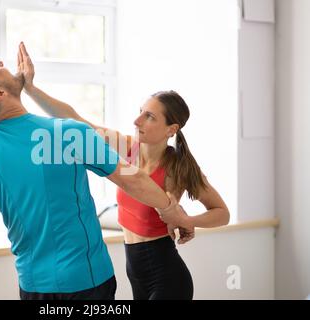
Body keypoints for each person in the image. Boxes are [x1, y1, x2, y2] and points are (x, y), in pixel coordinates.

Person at [0, 52, 186, 300]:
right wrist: (172, 210)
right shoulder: (67, 132)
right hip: (87, 281)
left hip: (33, 287)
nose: (1, 63)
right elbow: (132, 179)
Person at [18, 42, 230, 300]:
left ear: (171, 129)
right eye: (140, 112)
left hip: (167, 276)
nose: (137, 121)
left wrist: (189, 221)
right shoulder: (127, 148)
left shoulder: (180, 167)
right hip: (136, 272)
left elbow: (222, 213)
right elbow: (76, 121)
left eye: (149, 117)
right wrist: (30, 89)